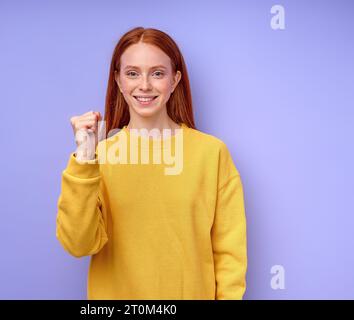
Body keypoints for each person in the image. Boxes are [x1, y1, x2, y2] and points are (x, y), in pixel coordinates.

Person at [56, 27, 247, 300]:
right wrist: (86, 157)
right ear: (119, 80)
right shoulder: (97, 157)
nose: (144, 85)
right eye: (132, 73)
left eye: (157, 73)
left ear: (175, 79)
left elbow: (230, 255)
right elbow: (78, 244)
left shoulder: (211, 153)